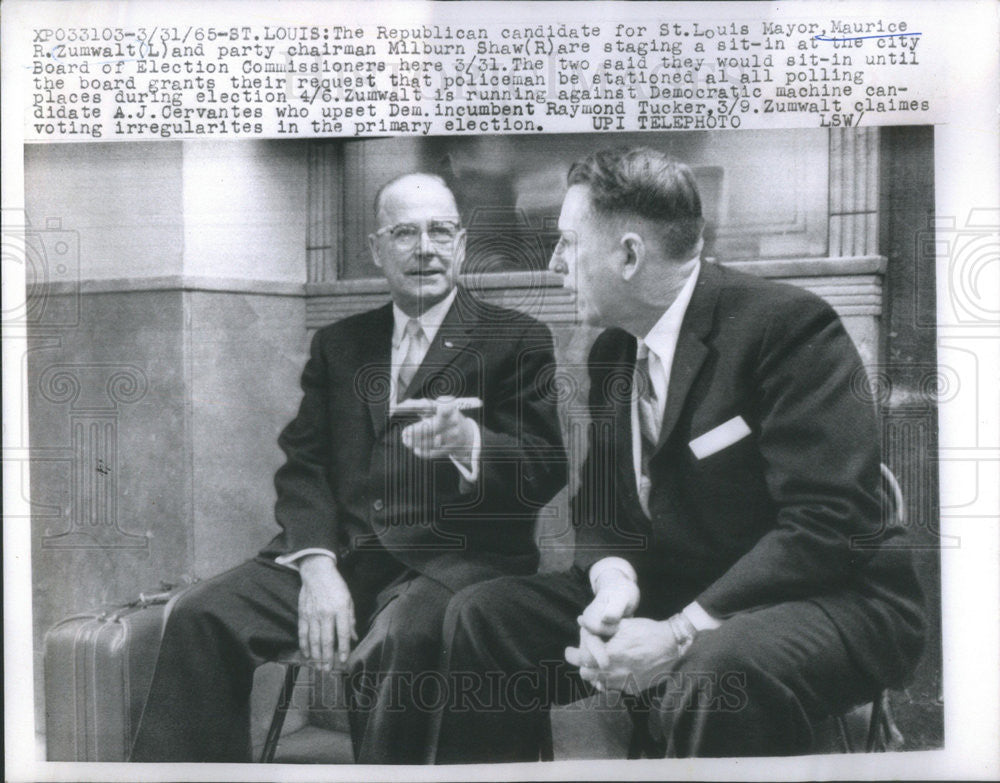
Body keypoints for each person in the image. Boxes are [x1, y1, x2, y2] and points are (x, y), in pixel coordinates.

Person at [432, 148, 926, 761]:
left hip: (830, 599)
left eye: (565, 243)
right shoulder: (612, 351)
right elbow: (603, 506)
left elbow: (827, 524)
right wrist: (614, 584)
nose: (556, 265)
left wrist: (676, 632)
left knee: (716, 673)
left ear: (630, 254)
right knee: (484, 616)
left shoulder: (789, 327)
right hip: (678, 587)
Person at [130, 173, 567, 763]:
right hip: (343, 557)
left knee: (396, 643)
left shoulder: (516, 338)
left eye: (441, 231)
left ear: (462, 244)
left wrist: (472, 444)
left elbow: (544, 467)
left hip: (453, 563)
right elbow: (303, 466)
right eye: (405, 233)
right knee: (201, 615)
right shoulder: (340, 343)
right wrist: (316, 566)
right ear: (375, 249)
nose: (425, 248)